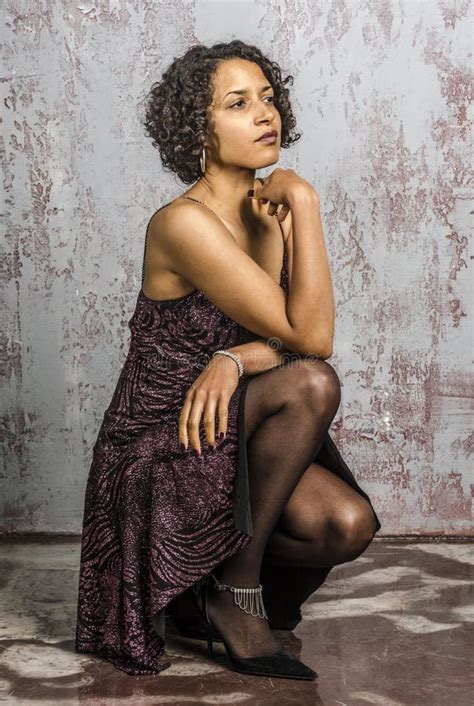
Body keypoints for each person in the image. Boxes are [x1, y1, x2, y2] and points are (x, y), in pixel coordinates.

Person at [75, 39, 381, 680]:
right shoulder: (182, 224)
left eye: (267, 98)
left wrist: (235, 357)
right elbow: (312, 342)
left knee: (346, 524)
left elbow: (292, 337)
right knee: (314, 385)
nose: (264, 113)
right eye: (238, 104)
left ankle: (198, 592)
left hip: (235, 421)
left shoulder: (265, 213)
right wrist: (307, 202)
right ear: (199, 130)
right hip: (161, 438)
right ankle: (235, 595)